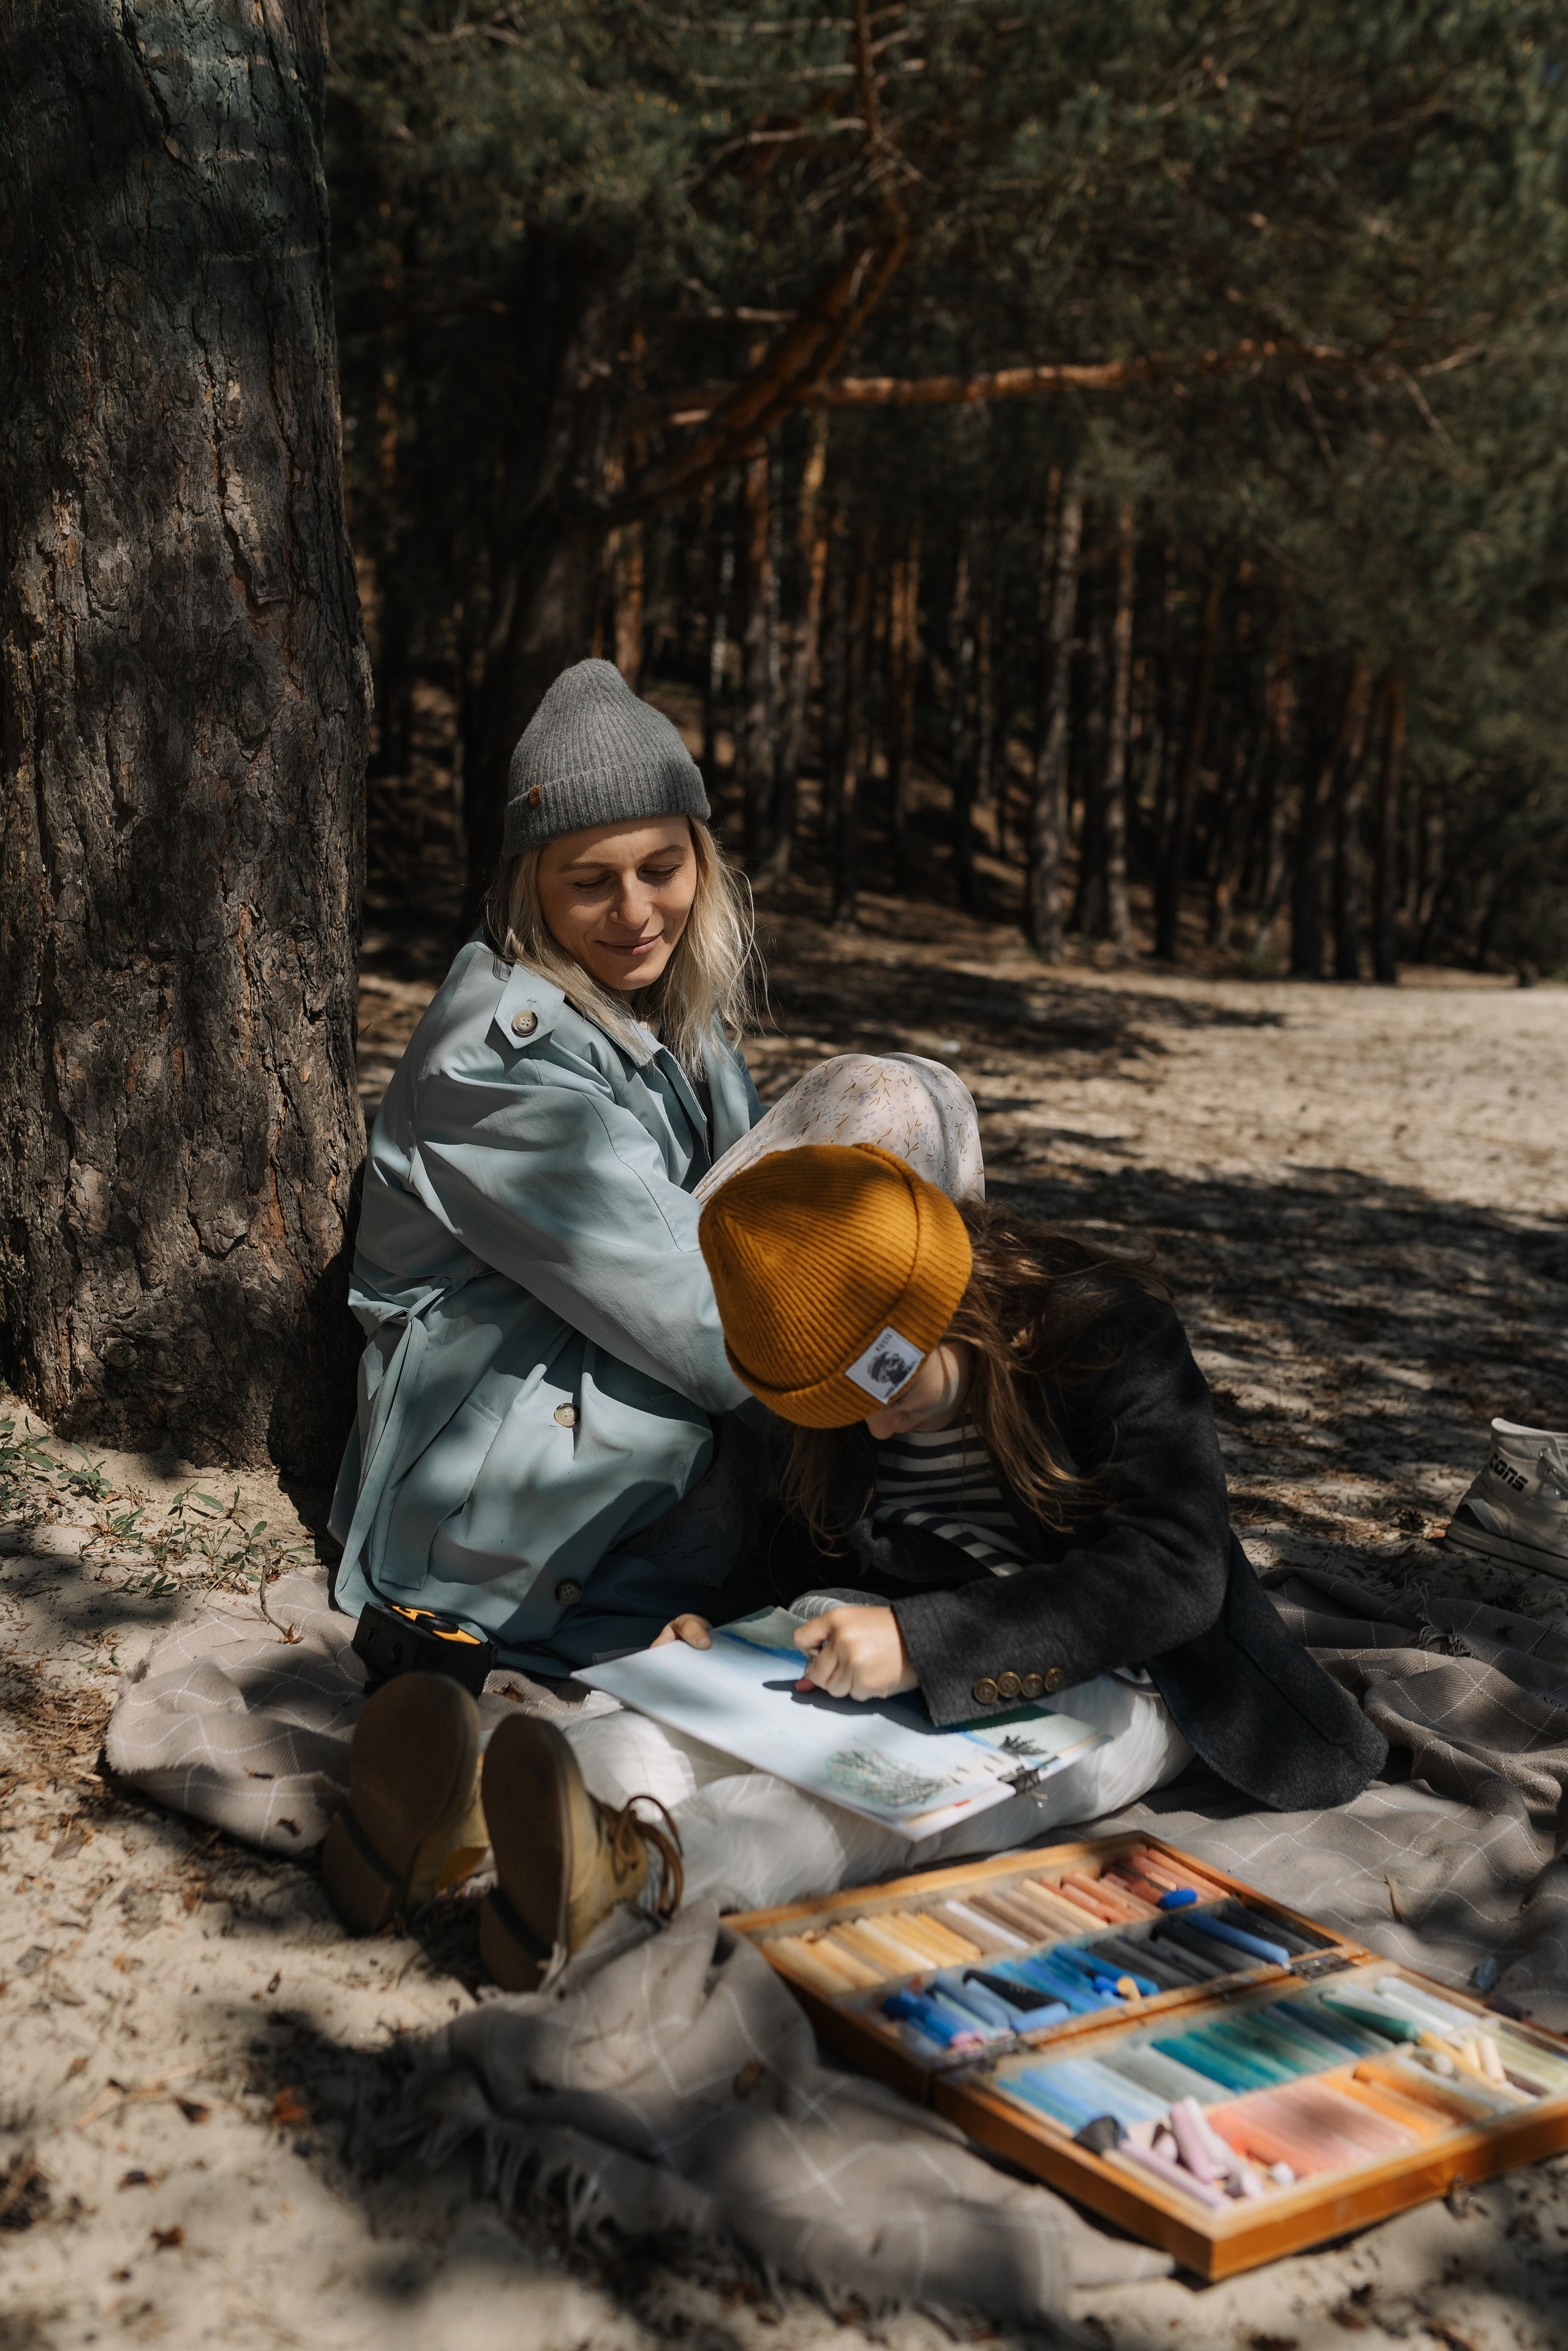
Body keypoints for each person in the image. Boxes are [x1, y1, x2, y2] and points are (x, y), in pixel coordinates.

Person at [326, 1142, 1387, 1988]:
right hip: (889, 1632)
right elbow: (801, 1541)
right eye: (830, 1410)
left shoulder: (1109, 1338)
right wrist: (716, 1631)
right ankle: (465, 1821)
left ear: (942, 1301)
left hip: (1128, 1676)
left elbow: (1175, 1571)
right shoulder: (842, 1394)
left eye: (882, 1387)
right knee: (684, 1725)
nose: (870, 1431)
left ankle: (634, 1873)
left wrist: (929, 1645)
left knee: (868, 1803)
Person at [326, 657, 767, 1691]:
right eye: (589, 881)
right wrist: (899, 1396)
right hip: (494, 1498)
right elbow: (701, 1316)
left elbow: (755, 1211)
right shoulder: (495, 1061)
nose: (634, 911)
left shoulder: (672, 1016)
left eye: (661, 867)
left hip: (596, 1421)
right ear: (532, 884)